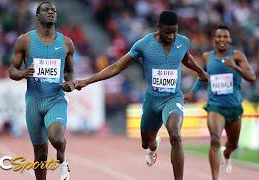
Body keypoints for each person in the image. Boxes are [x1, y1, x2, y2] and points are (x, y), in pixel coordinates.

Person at [74, 10, 208, 180]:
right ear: (158, 27)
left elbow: (186, 59)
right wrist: (86, 81)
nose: (172, 36)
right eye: (167, 32)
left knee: (175, 134)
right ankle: (152, 147)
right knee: (146, 142)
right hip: (152, 101)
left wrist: (200, 71)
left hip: (173, 98)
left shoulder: (182, 42)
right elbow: (116, 67)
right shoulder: (143, 45)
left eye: (175, 31)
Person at [9, 1, 75, 180]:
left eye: (53, 10)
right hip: (34, 102)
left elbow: (70, 72)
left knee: (56, 138)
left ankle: (62, 158)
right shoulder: (25, 40)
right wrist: (22, 73)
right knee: (40, 156)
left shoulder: (67, 43)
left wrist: (71, 83)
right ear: (37, 16)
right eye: (46, 10)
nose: (51, 12)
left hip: (55, 99)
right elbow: (12, 71)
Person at [185, 25, 256, 180]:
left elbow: (252, 77)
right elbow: (202, 75)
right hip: (215, 106)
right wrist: (192, 91)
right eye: (219, 36)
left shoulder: (237, 55)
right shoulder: (207, 56)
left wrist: (235, 67)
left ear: (230, 39)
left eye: (225, 37)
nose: (222, 39)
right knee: (215, 139)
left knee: (233, 144)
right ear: (214, 39)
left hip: (234, 107)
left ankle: (227, 154)